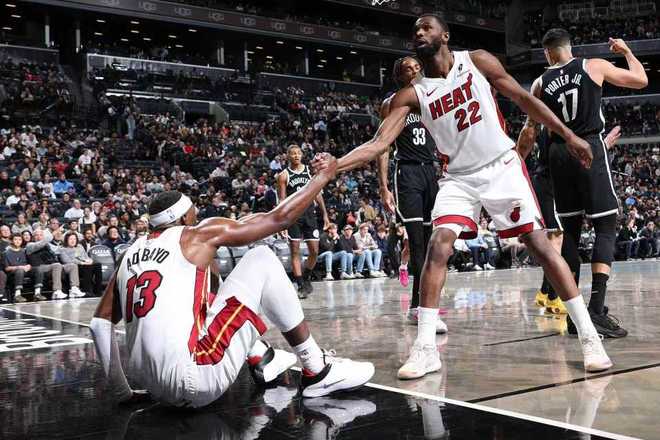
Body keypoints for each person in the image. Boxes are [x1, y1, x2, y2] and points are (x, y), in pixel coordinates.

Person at [332, 14, 612, 377]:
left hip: (501, 165)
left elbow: (522, 98)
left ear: (445, 35)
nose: (419, 32)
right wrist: (335, 165)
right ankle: (425, 349)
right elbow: (378, 144)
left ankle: (589, 336)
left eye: (427, 27)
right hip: (458, 178)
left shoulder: (476, 60)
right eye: (415, 30)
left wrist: (569, 136)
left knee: (540, 245)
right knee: (438, 245)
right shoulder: (412, 95)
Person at [89, 153, 374, 408]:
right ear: (184, 217)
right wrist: (322, 177)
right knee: (261, 259)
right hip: (195, 378)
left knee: (208, 290)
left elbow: (99, 324)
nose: (197, 215)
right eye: (193, 212)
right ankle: (317, 370)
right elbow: (280, 219)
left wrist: (123, 393)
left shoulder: (130, 253)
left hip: (152, 386)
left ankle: (261, 356)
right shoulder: (195, 235)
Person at [532, 29, 646, 337]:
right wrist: (626, 51)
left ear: (547, 53)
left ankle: (576, 316)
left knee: (569, 232)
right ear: (569, 47)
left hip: (557, 154)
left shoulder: (539, 83)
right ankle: (596, 309)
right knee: (606, 226)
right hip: (589, 146)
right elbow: (641, 80)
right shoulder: (592, 65)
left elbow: (530, 130)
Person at [517, 123, 621, 314]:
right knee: (557, 241)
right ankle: (554, 297)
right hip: (548, 184)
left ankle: (545, 293)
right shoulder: (561, 128)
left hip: (546, 181)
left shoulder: (547, 121)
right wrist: (602, 146)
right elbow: (570, 152)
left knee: (557, 240)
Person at [377, 55, 444, 331]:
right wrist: (383, 187)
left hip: (431, 172)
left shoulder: (431, 102)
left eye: (418, 67)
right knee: (416, 245)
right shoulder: (391, 103)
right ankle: (419, 308)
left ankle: (422, 305)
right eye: (408, 69)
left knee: (431, 243)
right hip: (407, 173)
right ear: (399, 76)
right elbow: (382, 146)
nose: (415, 71)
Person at [276, 144, 330, 299]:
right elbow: (282, 200)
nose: (296, 156)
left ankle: (306, 277)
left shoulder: (309, 171)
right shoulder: (283, 175)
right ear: (288, 156)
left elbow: (317, 193)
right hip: (293, 216)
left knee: (314, 251)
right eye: (293, 153)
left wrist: (325, 215)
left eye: (298, 153)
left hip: (309, 214)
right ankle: (300, 284)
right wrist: (282, 222)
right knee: (295, 251)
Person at [26, 228, 84, 300]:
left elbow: (58, 249)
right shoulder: (30, 245)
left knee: (72, 266)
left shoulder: (47, 245)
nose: (39, 237)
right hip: (39, 267)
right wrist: (52, 234)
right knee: (57, 265)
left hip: (53, 266)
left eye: (41, 235)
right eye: (36, 235)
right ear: (33, 237)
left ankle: (74, 289)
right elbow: (40, 244)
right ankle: (56, 291)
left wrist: (69, 244)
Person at [3, 234, 40, 303]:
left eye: (20, 240)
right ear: (11, 241)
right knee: (20, 270)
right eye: (15, 239)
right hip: (13, 272)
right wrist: (19, 267)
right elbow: (6, 268)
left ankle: (37, 293)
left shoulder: (24, 251)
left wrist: (29, 266)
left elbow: (30, 263)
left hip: (25, 270)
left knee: (38, 269)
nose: (18, 241)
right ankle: (17, 294)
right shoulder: (6, 253)